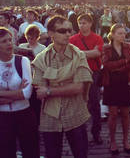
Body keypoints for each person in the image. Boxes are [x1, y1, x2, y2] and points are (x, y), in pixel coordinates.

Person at [32, 15, 92, 158]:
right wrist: (66, 83)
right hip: (51, 117)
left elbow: (79, 87)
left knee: (81, 154)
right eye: (62, 31)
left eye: (69, 30)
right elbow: (39, 92)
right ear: (51, 33)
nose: (67, 34)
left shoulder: (79, 55)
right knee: (52, 154)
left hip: (75, 113)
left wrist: (50, 90)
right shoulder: (41, 59)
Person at [0, 27, 39, 158]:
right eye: (4, 41)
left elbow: (27, 93)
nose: (9, 43)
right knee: (6, 152)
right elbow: (21, 93)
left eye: (10, 40)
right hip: (3, 118)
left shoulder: (22, 61)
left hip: (24, 115)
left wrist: (3, 95)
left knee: (30, 151)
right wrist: (17, 92)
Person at [69, 14, 104, 145]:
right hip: (77, 73)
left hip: (93, 73)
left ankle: (96, 132)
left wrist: (78, 53)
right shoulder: (72, 39)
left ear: (90, 24)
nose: (82, 25)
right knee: (78, 104)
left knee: (94, 104)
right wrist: (87, 54)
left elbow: (97, 53)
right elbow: (70, 55)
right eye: (80, 23)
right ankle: (80, 134)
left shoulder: (97, 37)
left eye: (84, 23)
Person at [101, 23, 130, 154]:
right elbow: (106, 65)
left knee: (126, 114)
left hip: (125, 83)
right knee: (113, 114)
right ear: (113, 34)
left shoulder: (129, 47)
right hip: (111, 84)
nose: (123, 35)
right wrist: (123, 62)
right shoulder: (106, 48)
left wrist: (117, 66)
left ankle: (126, 140)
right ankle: (113, 140)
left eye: (124, 33)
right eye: (120, 33)